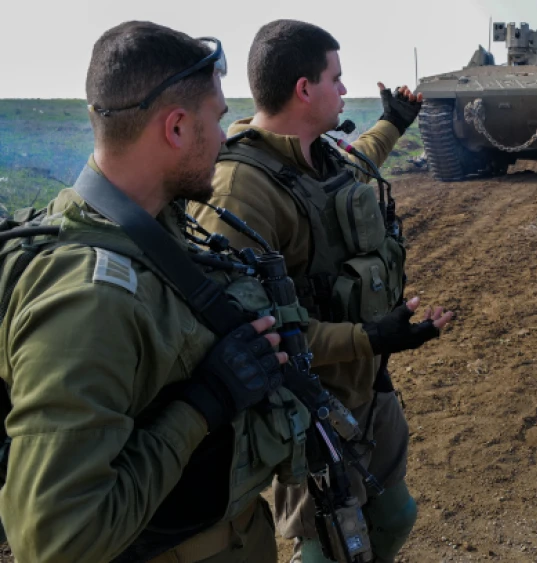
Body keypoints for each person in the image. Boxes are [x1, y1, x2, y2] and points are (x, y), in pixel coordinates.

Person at [0, 21, 312, 562]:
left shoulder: (145, 227)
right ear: (175, 129)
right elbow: (56, 541)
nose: (224, 136)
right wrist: (205, 404)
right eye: (215, 120)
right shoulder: (91, 302)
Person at [189, 19, 453, 563]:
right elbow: (241, 327)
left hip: (366, 384)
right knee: (326, 543)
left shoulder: (316, 153)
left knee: (395, 514)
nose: (343, 87)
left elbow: (355, 164)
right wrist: (369, 334)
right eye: (336, 77)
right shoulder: (240, 188)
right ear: (303, 89)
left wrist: (393, 123)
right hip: (305, 403)